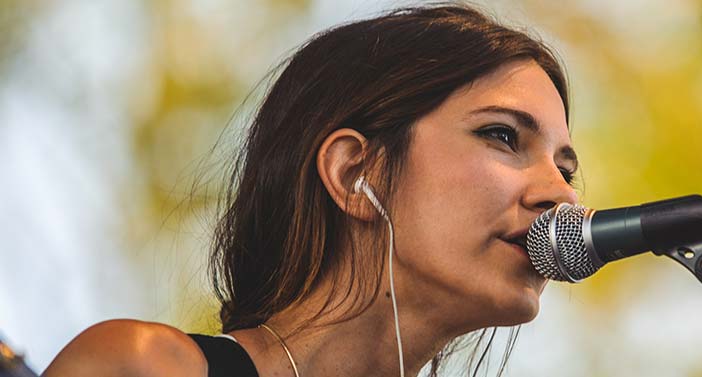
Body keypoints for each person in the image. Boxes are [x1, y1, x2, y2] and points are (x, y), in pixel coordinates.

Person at [43, 4, 579, 376]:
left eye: (566, 168)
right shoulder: (142, 367)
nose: (562, 195)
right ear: (353, 172)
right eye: (503, 135)